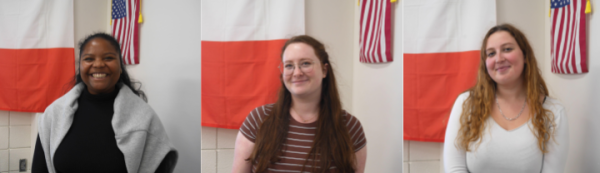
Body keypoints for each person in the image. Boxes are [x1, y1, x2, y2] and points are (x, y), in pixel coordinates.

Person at [32, 33, 177, 173]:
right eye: (89, 59)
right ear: (80, 66)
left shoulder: (145, 117)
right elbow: (40, 168)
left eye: (108, 58)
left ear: (120, 66)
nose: (99, 64)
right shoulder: (54, 113)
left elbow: (160, 163)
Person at [443, 24, 569, 173]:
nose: (499, 58)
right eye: (491, 53)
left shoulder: (553, 112)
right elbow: (455, 168)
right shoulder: (466, 104)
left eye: (507, 49)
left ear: (526, 56)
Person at [231, 35, 367, 173]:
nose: (297, 73)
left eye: (306, 63)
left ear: (324, 70)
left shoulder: (350, 127)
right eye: (289, 65)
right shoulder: (258, 120)